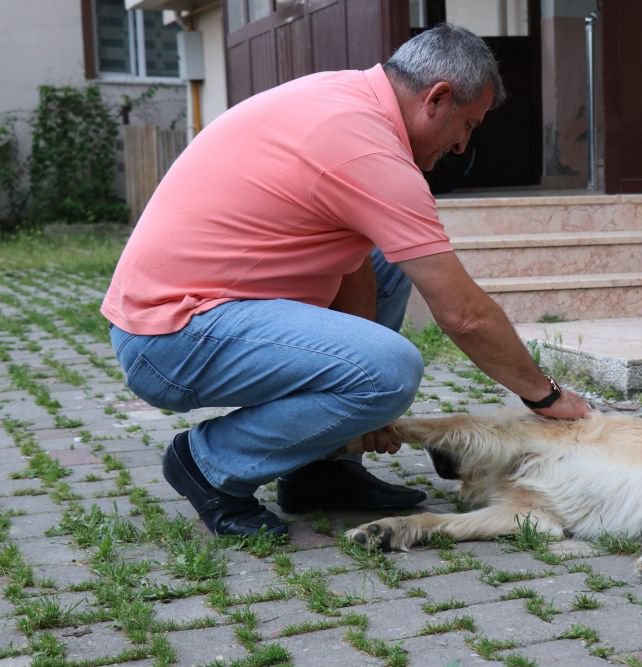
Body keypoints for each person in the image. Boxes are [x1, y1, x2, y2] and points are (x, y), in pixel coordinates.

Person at [100, 23, 590, 538]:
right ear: (437, 99)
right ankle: (208, 463)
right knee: (391, 368)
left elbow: (353, 263)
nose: (463, 143)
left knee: (385, 265)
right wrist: (545, 396)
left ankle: (322, 471)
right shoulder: (367, 151)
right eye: (468, 124)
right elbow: (463, 314)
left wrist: (357, 410)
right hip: (171, 336)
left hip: (189, 315)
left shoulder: (347, 100)